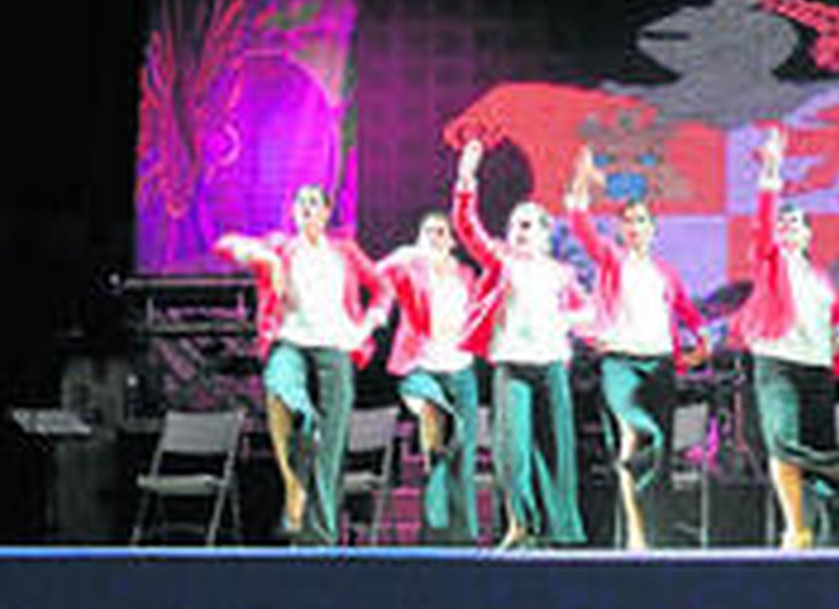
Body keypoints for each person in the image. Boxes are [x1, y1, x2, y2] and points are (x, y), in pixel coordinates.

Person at [213, 184, 394, 545]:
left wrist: (369, 324)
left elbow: (383, 287)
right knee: (282, 388)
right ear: (294, 213)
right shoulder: (281, 246)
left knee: (331, 446)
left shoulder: (344, 251)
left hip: (336, 345)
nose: (307, 209)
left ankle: (319, 539)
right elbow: (226, 245)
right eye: (301, 204)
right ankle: (295, 485)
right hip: (290, 341)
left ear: (326, 213)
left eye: (314, 204)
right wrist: (267, 260)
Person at [566, 145, 713, 550]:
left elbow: (689, 313)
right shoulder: (612, 261)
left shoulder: (665, 272)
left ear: (652, 229)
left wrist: (703, 344)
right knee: (634, 435)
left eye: (641, 221)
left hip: (661, 365)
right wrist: (581, 182)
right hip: (620, 363)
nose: (634, 227)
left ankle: (653, 533)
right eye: (628, 221)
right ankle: (634, 535)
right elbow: (579, 224)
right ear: (620, 230)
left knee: (658, 456)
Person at [729, 126, 839, 550]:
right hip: (777, 362)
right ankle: (796, 528)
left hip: (817, 369)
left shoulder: (821, 278)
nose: (788, 228)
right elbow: (765, 220)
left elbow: (838, 320)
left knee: (817, 448)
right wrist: (772, 168)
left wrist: (837, 340)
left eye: (796, 224)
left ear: (809, 235)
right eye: (784, 223)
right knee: (783, 443)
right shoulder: (771, 261)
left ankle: (833, 534)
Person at [452, 139, 593, 549]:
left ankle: (556, 530)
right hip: (512, 365)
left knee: (554, 450)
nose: (519, 230)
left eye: (528, 224)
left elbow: (587, 313)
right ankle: (519, 524)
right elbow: (467, 226)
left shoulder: (560, 273)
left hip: (551, 367)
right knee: (513, 451)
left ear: (546, 234)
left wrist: (566, 320)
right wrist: (466, 176)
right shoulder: (501, 260)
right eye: (515, 224)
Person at [378, 211, 481, 545]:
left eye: (440, 232)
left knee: (461, 453)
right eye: (427, 232)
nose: (434, 238)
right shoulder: (411, 272)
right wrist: (405, 254)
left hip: (461, 368)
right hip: (420, 367)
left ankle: (461, 537)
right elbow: (377, 274)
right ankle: (434, 536)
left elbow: (483, 313)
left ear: (452, 241)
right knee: (436, 436)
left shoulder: (467, 275)